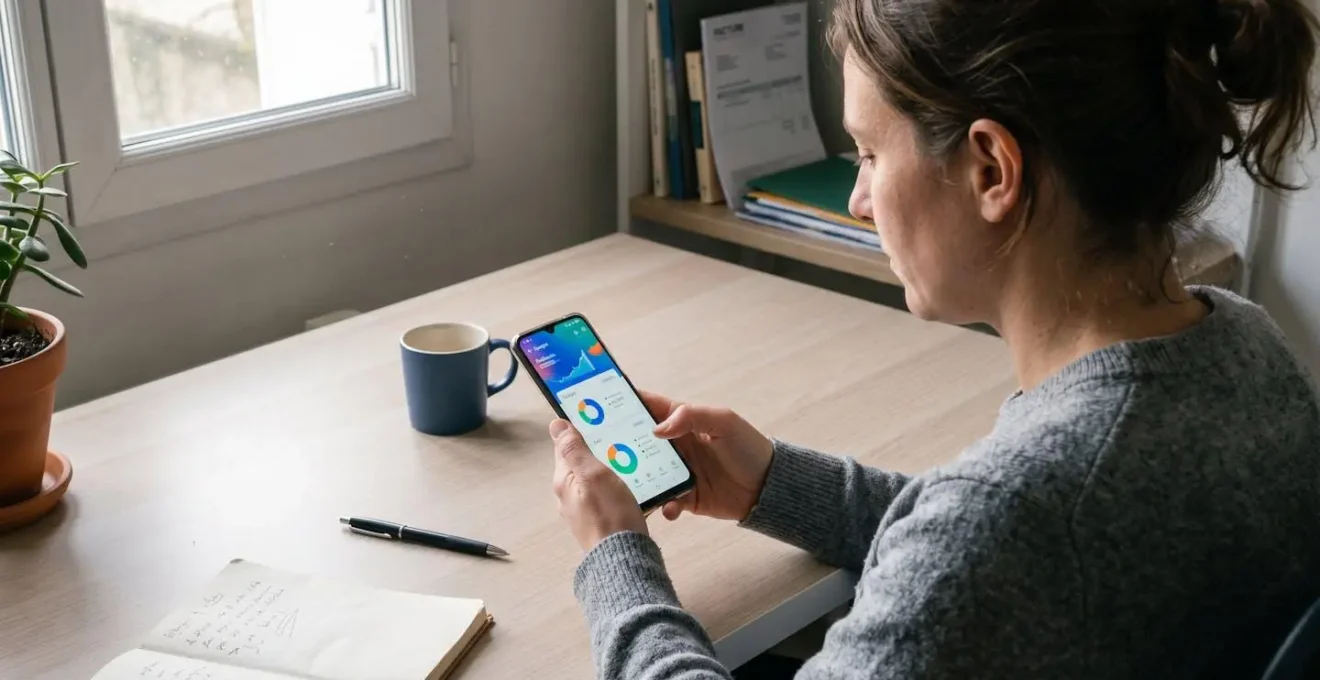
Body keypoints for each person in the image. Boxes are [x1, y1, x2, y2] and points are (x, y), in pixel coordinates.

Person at [548, 0, 1320, 677]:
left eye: (872, 153)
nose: (856, 199)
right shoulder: (1246, 346)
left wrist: (617, 558)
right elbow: (1015, 553)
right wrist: (774, 485)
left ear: (992, 169)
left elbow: (989, 542)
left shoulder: (1007, 519)